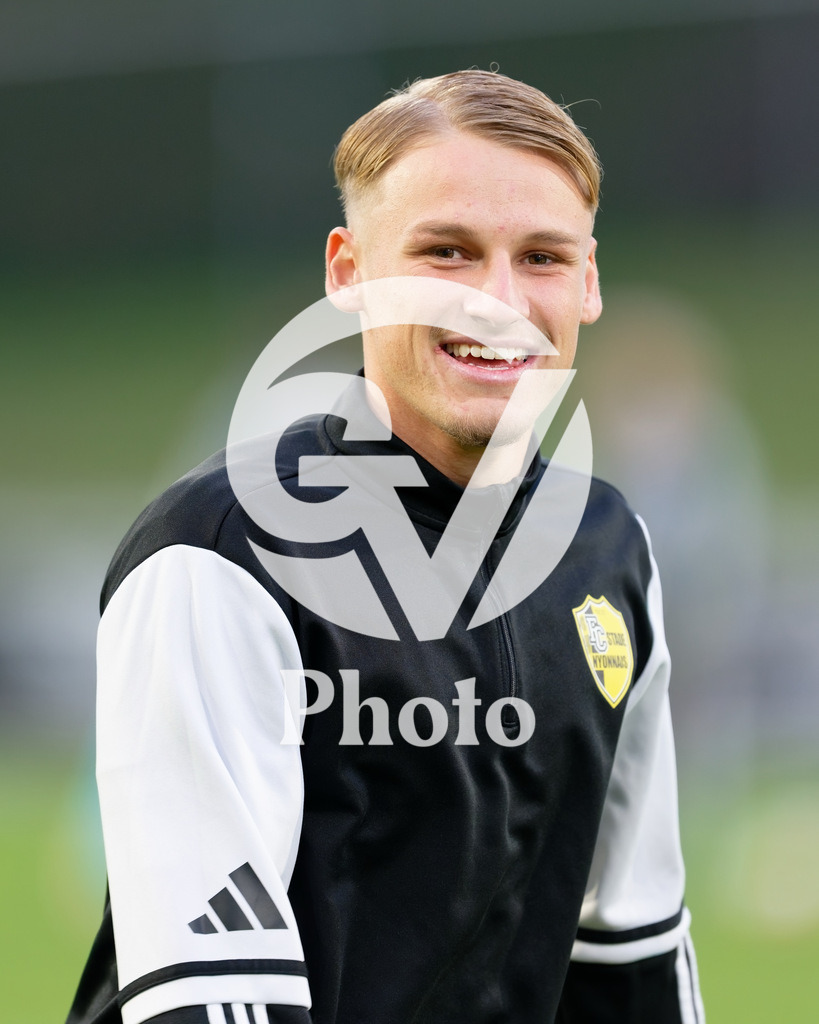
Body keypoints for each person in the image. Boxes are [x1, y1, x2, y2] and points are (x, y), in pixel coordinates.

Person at [67, 70, 704, 1024]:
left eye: (539, 257)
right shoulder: (217, 557)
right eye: (446, 252)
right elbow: (212, 999)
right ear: (347, 274)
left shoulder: (609, 550)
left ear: (588, 281)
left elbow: (631, 952)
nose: (496, 300)